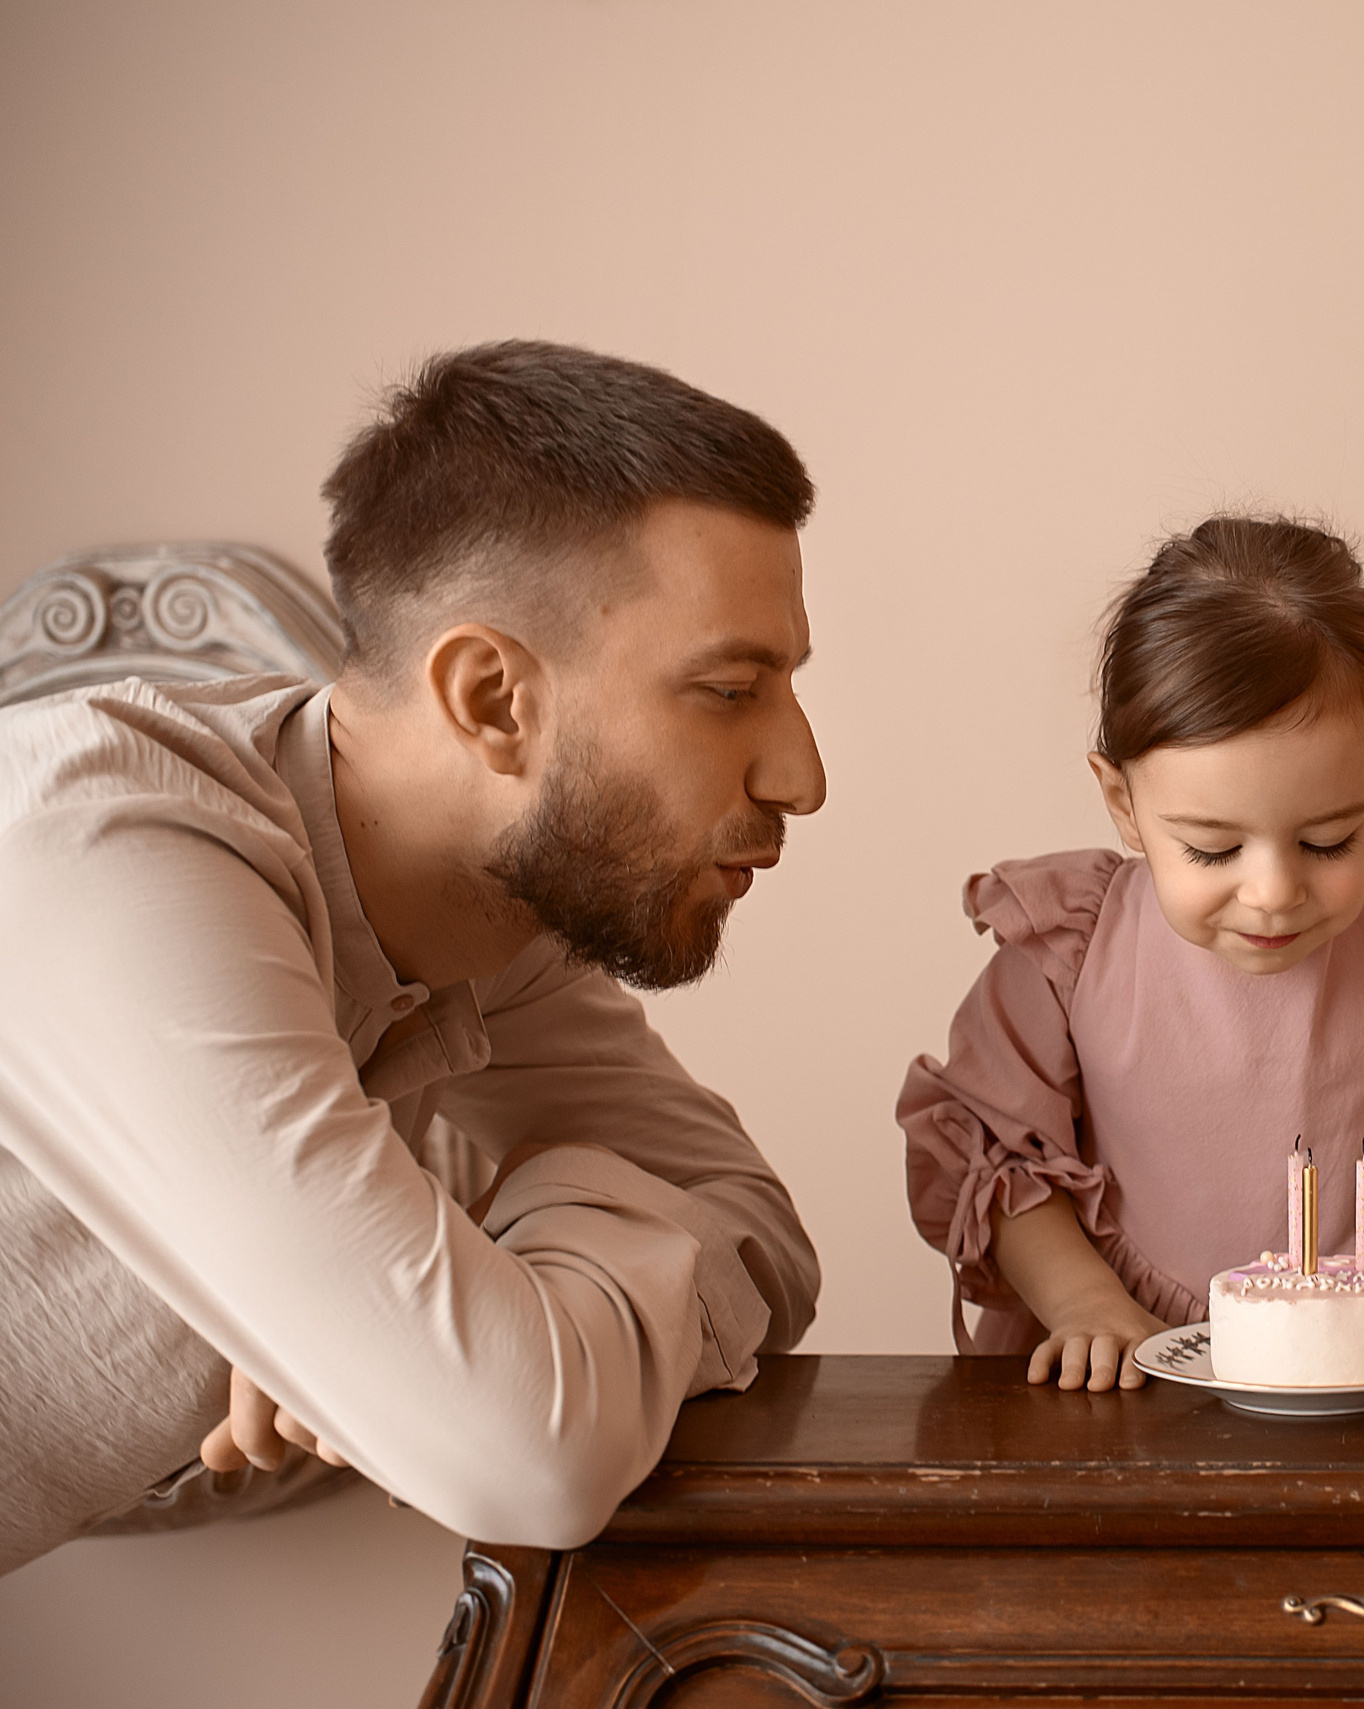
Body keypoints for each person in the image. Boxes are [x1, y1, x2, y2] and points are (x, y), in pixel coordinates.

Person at [0, 340, 827, 1573]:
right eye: (727, 690)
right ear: (493, 698)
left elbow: (765, 1237)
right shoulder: (106, 849)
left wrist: (434, 1278)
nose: (802, 776)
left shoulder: (496, 931)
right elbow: (523, 1454)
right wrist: (400, 1313)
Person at [899, 516, 1364, 1391]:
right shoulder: (1063, 950)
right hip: (1134, 1361)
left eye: (1332, 839)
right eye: (1214, 849)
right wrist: (1082, 1300)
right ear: (1121, 800)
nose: (1273, 892)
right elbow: (999, 1159)